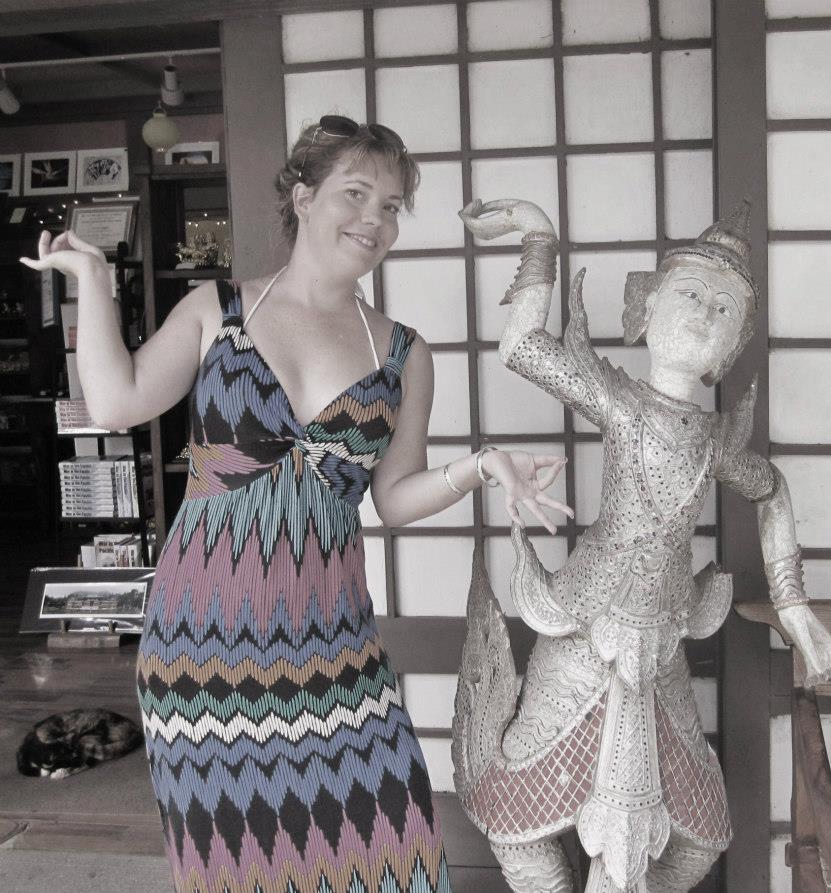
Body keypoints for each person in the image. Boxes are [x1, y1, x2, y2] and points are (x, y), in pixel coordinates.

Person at [21, 116, 572, 893]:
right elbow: (115, 402)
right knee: (235, 867)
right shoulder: (218, 310)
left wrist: (479, 466)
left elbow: (394, 497)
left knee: (388, 855)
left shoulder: (403, 351)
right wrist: (96, 286)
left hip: (331, 641)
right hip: (201, 643)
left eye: (391, 206)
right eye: (357, 194)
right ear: (303, 196)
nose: (375, 220)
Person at [452, 198, 831, 893]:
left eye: (724, 309)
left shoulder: (718, 440)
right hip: (584, 628)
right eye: (690, 294)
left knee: (702, 837)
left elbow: (771, 487)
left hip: (662, 644)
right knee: (516, 821)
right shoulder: (619, 399)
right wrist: (540, 236)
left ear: (732, 345)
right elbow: (520, 346)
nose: (704, 313)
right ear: (648, 305)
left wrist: (796, 603)